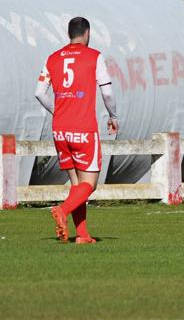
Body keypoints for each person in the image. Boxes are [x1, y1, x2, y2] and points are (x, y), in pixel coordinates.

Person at [35, 16, 119, 244]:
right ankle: (62, 210)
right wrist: (113, 116)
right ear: (87, 34)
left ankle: (82, 236)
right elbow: (108, 93)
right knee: (89, 184)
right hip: (83, 128)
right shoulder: (94, 57)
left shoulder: (52, 58)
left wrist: (58, 111)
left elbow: (40, 92)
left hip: (60, 129)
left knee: (77, 186)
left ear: (69, 34)